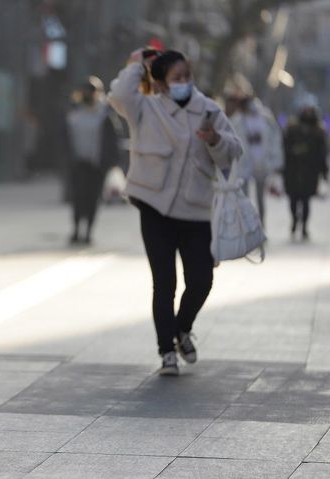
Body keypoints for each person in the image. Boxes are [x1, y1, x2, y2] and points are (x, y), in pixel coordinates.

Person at [109, 49, 242, 376]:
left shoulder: (209, 110)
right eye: (176, 78)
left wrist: (215, 140)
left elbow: (232, 153)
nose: (184, 83)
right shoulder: (145, 107)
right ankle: (166, 350)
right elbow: (119, 95)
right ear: (162, 83)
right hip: (153, 206)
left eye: (187, 76)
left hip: (195, 209)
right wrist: (134, 63)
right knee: (164, 281)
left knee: (201, 279)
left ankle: (182, 328)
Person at [66, 79, 120, 244]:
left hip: (97, 166)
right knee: (77, 198)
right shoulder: (73, 115)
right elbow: (64, 139)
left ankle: (88, 232)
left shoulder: (105, 117)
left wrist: (111, 163)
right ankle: (75, 230)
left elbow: (112, 142)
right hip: (78, 164)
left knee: (92, 199)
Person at [230, 95, 284, 225]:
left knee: (261, 197)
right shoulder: (237, 120)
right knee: (244, 196)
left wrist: (275, 160)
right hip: (243, 163)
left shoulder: (266, 118)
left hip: (262, 163)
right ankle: (246, 223)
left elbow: (275, 139)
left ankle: (261, 223)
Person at [283, 105, 328, 241]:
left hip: (309, 172)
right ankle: (295, 220)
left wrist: (324, 170)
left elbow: (322, 153)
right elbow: (285, 147)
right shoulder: (292, 130)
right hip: (293, 170)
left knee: (306, 201)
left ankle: (304, 227)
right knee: (293, 200)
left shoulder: (318, 133)